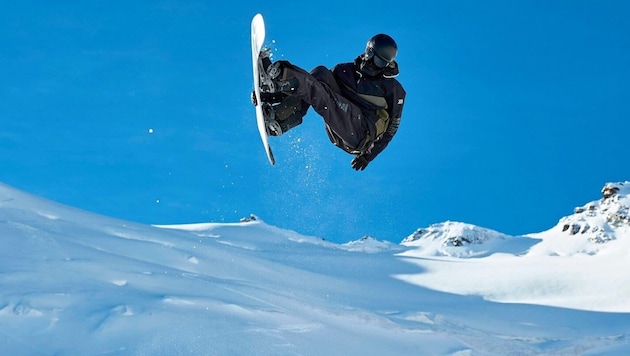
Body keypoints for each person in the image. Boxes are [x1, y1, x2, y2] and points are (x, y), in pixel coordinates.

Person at [257, 34, 406, 171]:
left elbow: (392, 129)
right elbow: (311, 86)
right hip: (340, 118)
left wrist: (368, 156)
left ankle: (278, 75)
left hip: (361, 133)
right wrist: (270, 96)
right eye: (371, 54)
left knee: (320, 92)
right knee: (320, 74)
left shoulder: (393, 89)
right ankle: (280, 118)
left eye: (379, 62)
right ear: (367, 50)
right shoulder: (345, 70)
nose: (372, 62)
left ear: (387, 65)